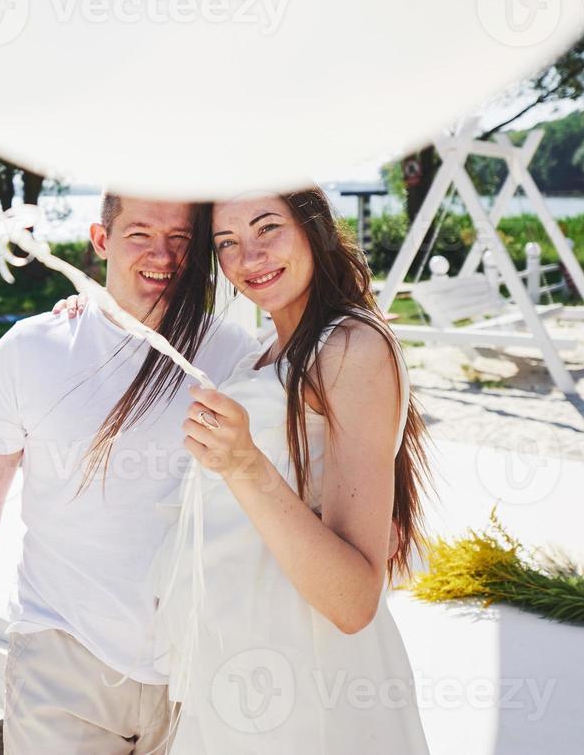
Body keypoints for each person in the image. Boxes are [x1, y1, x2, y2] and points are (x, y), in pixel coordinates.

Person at [0, 193, 259, 755]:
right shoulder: (31, 350)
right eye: (140, 234)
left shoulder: (238, 358)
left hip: (196, 670)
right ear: (101, 240)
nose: (162, 255)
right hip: (62, 662)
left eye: (180, 239)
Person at [143, 188, 435, 752]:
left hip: (308, 682)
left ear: (312, 227)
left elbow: (353, 601)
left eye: (267, 228)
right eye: (227, 243)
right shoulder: (260, 350)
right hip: (238, 669)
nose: (249, 258)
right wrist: (87, 307)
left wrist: (244, 464)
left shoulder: (352, 345)